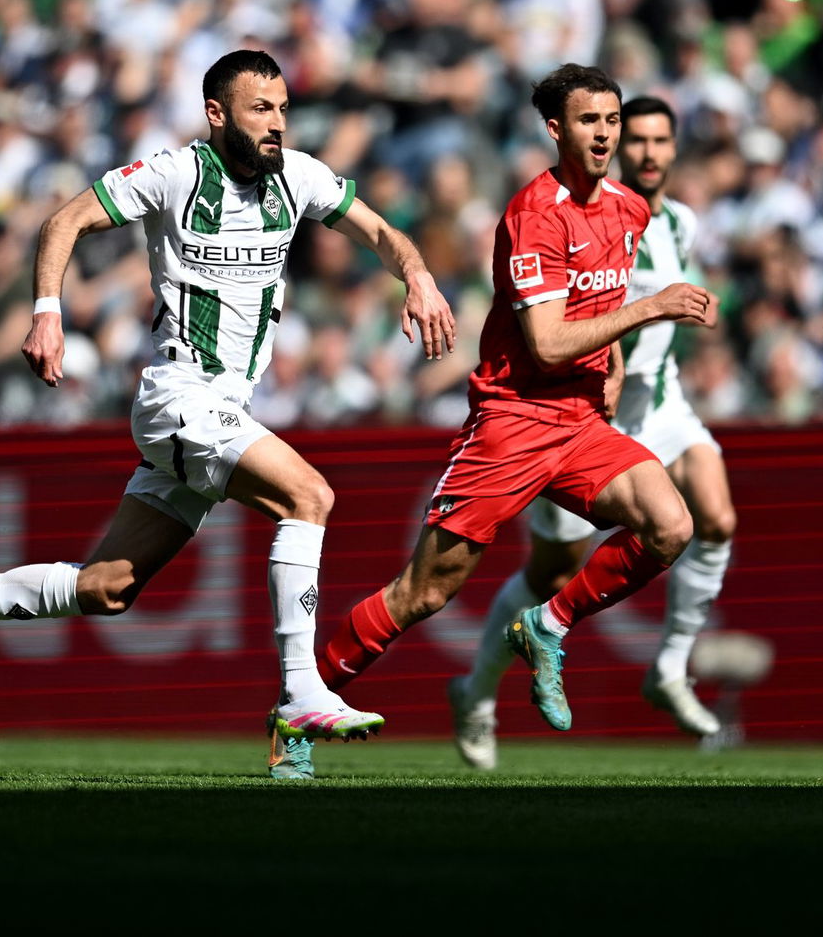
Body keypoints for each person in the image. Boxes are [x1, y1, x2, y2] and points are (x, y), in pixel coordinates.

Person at [0, 49, 458, 755]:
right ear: (217, 113)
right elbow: (64, 221)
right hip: (179, 394)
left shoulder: (300, 178)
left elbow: (383, 232)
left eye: (283, 110)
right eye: (260, 109)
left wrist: (416, 276)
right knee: (310, 497)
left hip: (223, 406)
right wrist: (48, 312)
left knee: (110, 587)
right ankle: (301, 690)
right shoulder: (175, 173)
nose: (277, 124)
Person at [287, 64, 717, 779]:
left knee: (672, 525)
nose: (606, 134)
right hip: (513, 421)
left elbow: (591, 311)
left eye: (611, 119)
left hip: (579, 422)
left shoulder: (628, 211)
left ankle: (546, 626)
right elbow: (547, 343)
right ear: (555, 129)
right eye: (589, 121)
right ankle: (299, 710)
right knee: (423, 594)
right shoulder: (532, 215)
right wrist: (653, 307)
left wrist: (610, 366)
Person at [448, 96, 738, 770]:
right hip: (581, 414)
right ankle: (477, 692)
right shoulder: (576, 214)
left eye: (659, 140)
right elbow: (574, 311)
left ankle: (668, 668)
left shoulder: (679, 224)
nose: (646, 152)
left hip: (660, 408)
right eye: (634, 138)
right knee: (552, 573)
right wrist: (613, 351)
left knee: (714, 517)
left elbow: (664, 306)